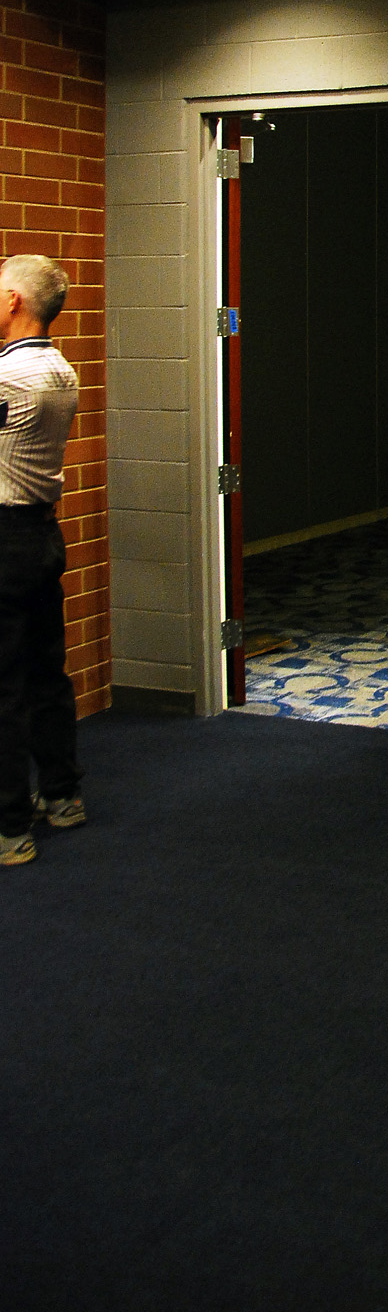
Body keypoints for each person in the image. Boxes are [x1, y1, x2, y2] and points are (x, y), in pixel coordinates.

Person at [0, 254, 83, 867]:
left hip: (4, 541)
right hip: (39, 538)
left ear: (13, 304)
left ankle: (10, 830)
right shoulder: (60, 369)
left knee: (4, 687)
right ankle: (61, 795)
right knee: (44, 674)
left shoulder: (9, 379)